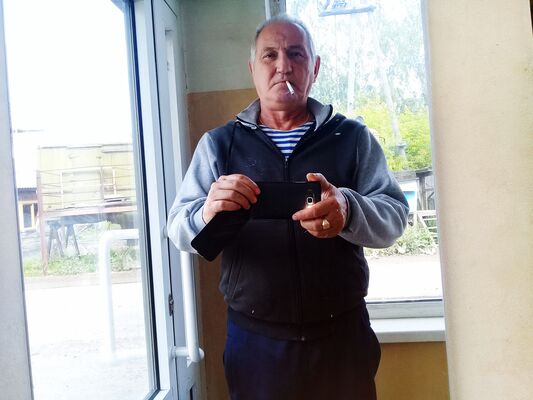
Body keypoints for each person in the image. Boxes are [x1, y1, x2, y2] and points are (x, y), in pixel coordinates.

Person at [167, 15, 409, 400]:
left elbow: (394, 216)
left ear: (314, 68)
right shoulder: (219, 144)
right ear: (253, 68)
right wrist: (206, 213)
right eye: (270, 55)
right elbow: (177, 228)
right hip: (254, 343)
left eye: (296, 54)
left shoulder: (352, 137)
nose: (283, 65)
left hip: (341, 339)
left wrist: (348, 209)